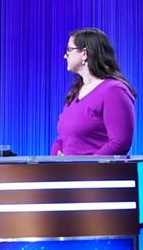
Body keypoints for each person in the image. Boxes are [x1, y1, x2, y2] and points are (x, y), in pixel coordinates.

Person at [51, 28, 136, 156]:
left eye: (69, 50)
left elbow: (120, 142)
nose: (65, 55)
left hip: (95, 174)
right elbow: (62, 139)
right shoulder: (75, 93)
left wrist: (84, 167)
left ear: (84, 53)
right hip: (67, 174)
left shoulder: (113, 91)